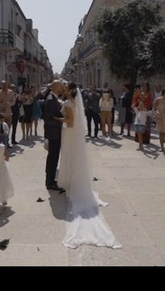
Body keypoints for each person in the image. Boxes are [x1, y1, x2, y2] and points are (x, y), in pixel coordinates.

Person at [56, 81, 121, 249]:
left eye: (65, 87)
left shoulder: (69, 102)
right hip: (73, 134)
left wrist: (58, 119)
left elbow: (70, 121)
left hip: (69, 132)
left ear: (70, 90)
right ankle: (73, 181)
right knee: (74, 158)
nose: (63, 89)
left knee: (70, 157)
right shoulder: (72, 101)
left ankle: (71, 182)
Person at [42, 79, 66, 191]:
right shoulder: (51, 100)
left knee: (53, 157)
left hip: (54, 132)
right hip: (53, 133)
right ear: (56, 87)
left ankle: (51, 179)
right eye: (61, 87)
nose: (62, 89)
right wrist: (62, 121)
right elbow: (49, 119)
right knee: (52, 157)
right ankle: (50, 182)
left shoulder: (54, 98)